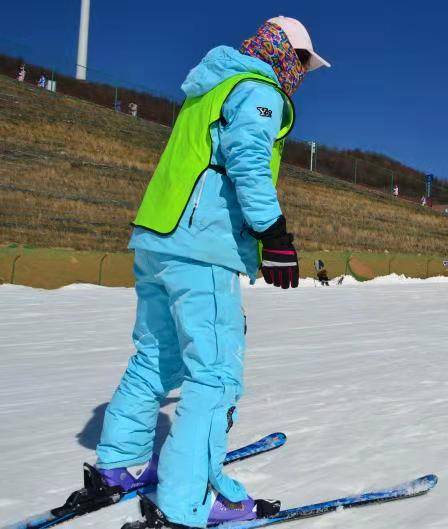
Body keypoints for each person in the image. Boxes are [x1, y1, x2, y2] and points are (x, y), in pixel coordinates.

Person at [93, 16, 329, 528]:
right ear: (286, 53)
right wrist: (274, 233)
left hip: (158, 235)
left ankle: (121, 462)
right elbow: (246, 157)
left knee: (157, 355)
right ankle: (189, 498)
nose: (304, 74)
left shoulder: (213, 84)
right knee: (216, 373)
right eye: (305, 62)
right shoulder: (259, 91)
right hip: (203, 247)